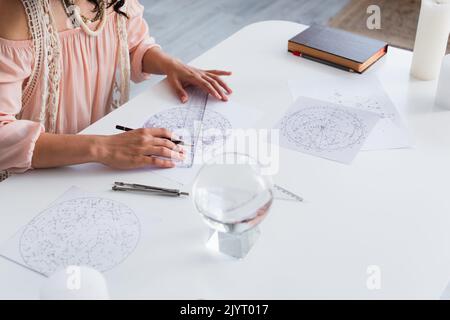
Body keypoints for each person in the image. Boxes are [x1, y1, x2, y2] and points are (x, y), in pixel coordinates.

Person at [0, 0, 232, 177]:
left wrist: (170, 64)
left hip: (93, 161)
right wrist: (104, 148)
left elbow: (129, 44)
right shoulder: (15, 12)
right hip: (33, 172)